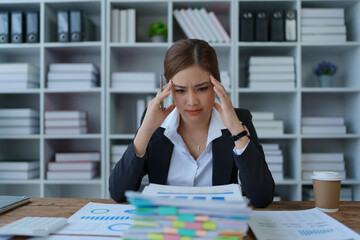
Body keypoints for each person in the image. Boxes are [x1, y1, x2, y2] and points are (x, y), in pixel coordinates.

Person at [109, 39, 274, 208]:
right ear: (168, 90)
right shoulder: (154, 122)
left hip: (218, 227)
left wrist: (236, 130)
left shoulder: (239, 120)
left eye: (202, 88)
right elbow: (118, 192)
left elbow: (262, 197)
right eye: (180, 91)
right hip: (167, 228)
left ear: (217, 85)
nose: (192, 101)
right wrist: (145, 130)